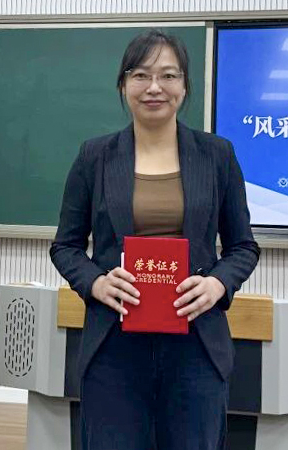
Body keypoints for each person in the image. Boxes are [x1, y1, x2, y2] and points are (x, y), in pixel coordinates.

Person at [50, 30, 261, 449]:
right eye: (141, 75)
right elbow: (65, 246)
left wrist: (217, 284)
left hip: (196, 344)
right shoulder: (95, 156)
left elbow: (243, 247)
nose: (154, 87)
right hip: (114, 344)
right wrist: (96, 282)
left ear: (184, 86)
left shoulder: (217, 155)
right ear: (123, 84)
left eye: (168, 75)